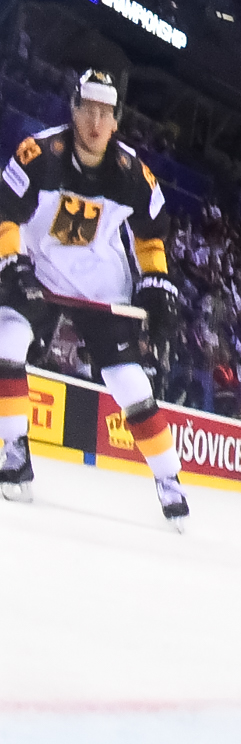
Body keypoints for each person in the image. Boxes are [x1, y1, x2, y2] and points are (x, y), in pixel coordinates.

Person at [0, 68, 186, 523]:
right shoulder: (38, 155)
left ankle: (169, 479)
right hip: (38, 267)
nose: (96, 123)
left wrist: (157, 284)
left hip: (99, 281)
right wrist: (12, 262)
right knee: (6, 341)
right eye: (88, 109)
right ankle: (13, 449)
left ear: (118, 119)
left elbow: (150, 238)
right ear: (73, 109)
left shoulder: (133, 175)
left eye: (106, 112)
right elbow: (5, 216)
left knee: (128, 380)